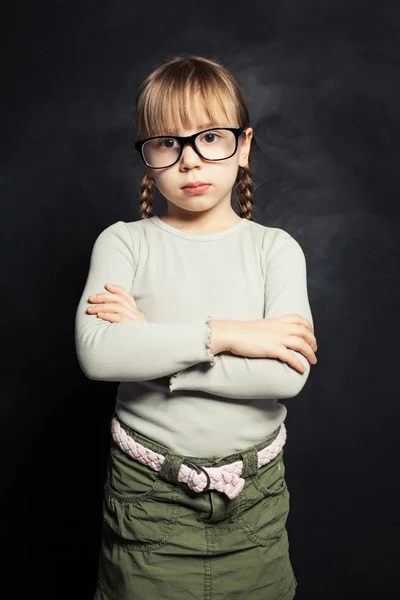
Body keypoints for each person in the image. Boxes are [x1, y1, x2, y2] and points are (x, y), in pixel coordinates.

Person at [75, 54, 318, 600]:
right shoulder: (124, 243)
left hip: (255, 503)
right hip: (148, 500)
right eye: (167, 142)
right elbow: (100, 355)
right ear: (147, 155)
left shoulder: (275, 250)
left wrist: (155, 354)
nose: (189, 161)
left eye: (211, 137)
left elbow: (286, 376)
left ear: (245, 144)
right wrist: (230, 334)